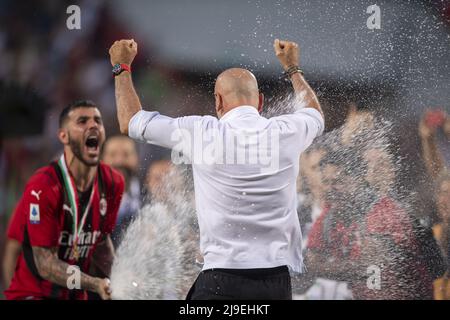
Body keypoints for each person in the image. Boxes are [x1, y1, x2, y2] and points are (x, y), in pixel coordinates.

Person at [108, 38, 324, 300]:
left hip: (222, 279)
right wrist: (293, 69)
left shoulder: (201, 132)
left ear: (218, 101)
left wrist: (121, 67)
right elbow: (315, 115)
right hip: (276, 283)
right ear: (260, 102)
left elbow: (130, 121)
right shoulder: (286, 131)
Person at [4, 100, 125, 300]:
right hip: (35, 294)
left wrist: (122, 278)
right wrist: (94, 283)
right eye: (82, 121)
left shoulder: (113, 182)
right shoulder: (43, 185)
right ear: (63, 135)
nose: (93, 125)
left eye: (97, 120)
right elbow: (44, 263)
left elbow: (101, 241)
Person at [101, 135, 141, 248]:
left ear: (137, 158)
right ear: (102, 160)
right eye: (112, 155)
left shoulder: (151, 195)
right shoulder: (89, 200)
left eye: (126, 154)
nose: (119, 161)